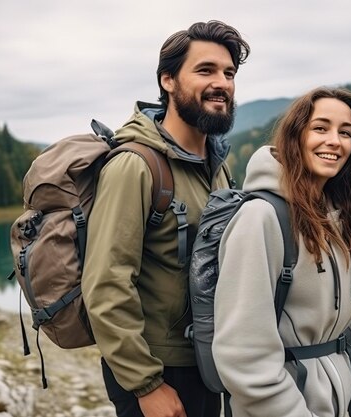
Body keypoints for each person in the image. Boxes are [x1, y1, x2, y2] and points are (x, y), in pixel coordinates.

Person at [81, 21, 250, 417]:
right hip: (158, 370)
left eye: (229, 73)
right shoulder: (135, 165)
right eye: (206, 70)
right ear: (168, 80)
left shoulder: (216, 167)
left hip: (207, 360)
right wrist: (146, 385)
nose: (222, 83)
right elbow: (105, 284)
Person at [212, 87, 351, 417]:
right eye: (320, 128)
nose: (335, 141)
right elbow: (243, 352)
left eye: (345, 132)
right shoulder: (261, 218)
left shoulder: (348, 218)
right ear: (296, 136)